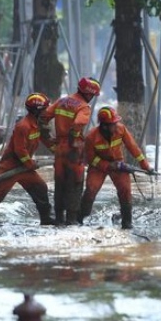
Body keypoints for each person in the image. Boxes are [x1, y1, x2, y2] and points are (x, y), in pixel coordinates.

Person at [0, 93, 56, 225]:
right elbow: (20, 150)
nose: (46, 111)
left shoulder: (37, 124)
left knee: (40, 188)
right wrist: (30, 163)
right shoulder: (23, 126)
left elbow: (46, 141)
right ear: (37, 110)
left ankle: (46, 219)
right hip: (10, 169)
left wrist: (58, 152)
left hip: (24, 168)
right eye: (44, 109)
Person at [77, 106, 154, 229]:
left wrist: (146, 166)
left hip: (118, 163)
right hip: (98, 167)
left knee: (125, 190)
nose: (116, 125)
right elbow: (91, 159)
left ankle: (127, 223)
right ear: (104, 126)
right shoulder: (91, 136)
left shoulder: (121, 129)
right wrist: (107, 165)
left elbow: (133, 148)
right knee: (91, 190)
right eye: (113, 123)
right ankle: (79, 219)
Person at [42, 76, 101, 225]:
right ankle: (72, 219)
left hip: (59, 148)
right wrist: (74, 139)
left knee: (60, 181)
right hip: (73, 150)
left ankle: (59, 218)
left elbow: (43, 117)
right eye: (92, 95)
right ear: (88, 93)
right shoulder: (83, 107)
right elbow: (78, 123)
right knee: (75, 182)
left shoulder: (62, 101)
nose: (92, 98)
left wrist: (49, 139)